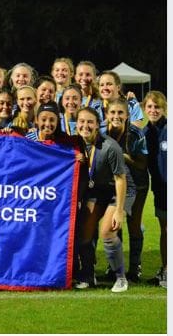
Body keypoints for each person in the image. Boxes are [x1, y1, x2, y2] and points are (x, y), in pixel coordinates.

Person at [75, 107, 128, 292]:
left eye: (90, 122)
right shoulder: (77, 144)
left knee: (107, 231)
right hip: (96, 192)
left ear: (98, 124)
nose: (85, 126)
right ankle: (89, 277)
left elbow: (121, 179)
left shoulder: (110, 147)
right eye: (82, 121)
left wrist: (120, 211)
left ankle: (121, 278)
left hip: (116, 192)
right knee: (85, 232)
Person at [105, 99, 148, 283]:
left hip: (138, 185)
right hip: (114, 185)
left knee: (134, 224)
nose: (116, 116)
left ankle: (135, 268)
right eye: (113, 112)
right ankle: (116, 268)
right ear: (106, 114)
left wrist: (123, 157)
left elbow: (142, 164)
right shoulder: (103, 134)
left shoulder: (135, 134)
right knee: (116, 224)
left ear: (127, 115)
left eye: (120, 113)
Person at [142, 91, 167, 288]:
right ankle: (166, 269)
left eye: (157, 107)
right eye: (149, 107)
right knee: (165, 230)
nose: (153, 110)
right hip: (160, 190)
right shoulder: (145, 133)